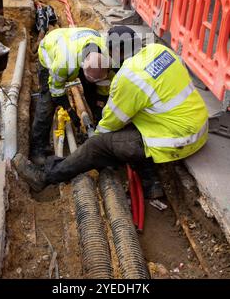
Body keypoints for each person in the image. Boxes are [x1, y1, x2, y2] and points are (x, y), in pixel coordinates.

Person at [13, 43, 209, 193]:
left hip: (177, 139)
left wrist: (92, 138)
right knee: (127, 131)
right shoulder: (159, 50)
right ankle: (152, 184)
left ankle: (45, 176)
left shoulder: (130, 78)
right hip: (199, 127)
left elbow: (109, 125)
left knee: (98, 145)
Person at [29, 27, 110, 165]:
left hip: (76, 43)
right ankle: (38, 148)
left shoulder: (105, 55)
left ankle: (97, 128)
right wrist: (70, 111)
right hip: (50, 48)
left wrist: (99, 109)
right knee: (47, 103)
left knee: (92, 92)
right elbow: (56, 93)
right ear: (82, 68)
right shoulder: (62, 64)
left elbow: (103, 88)